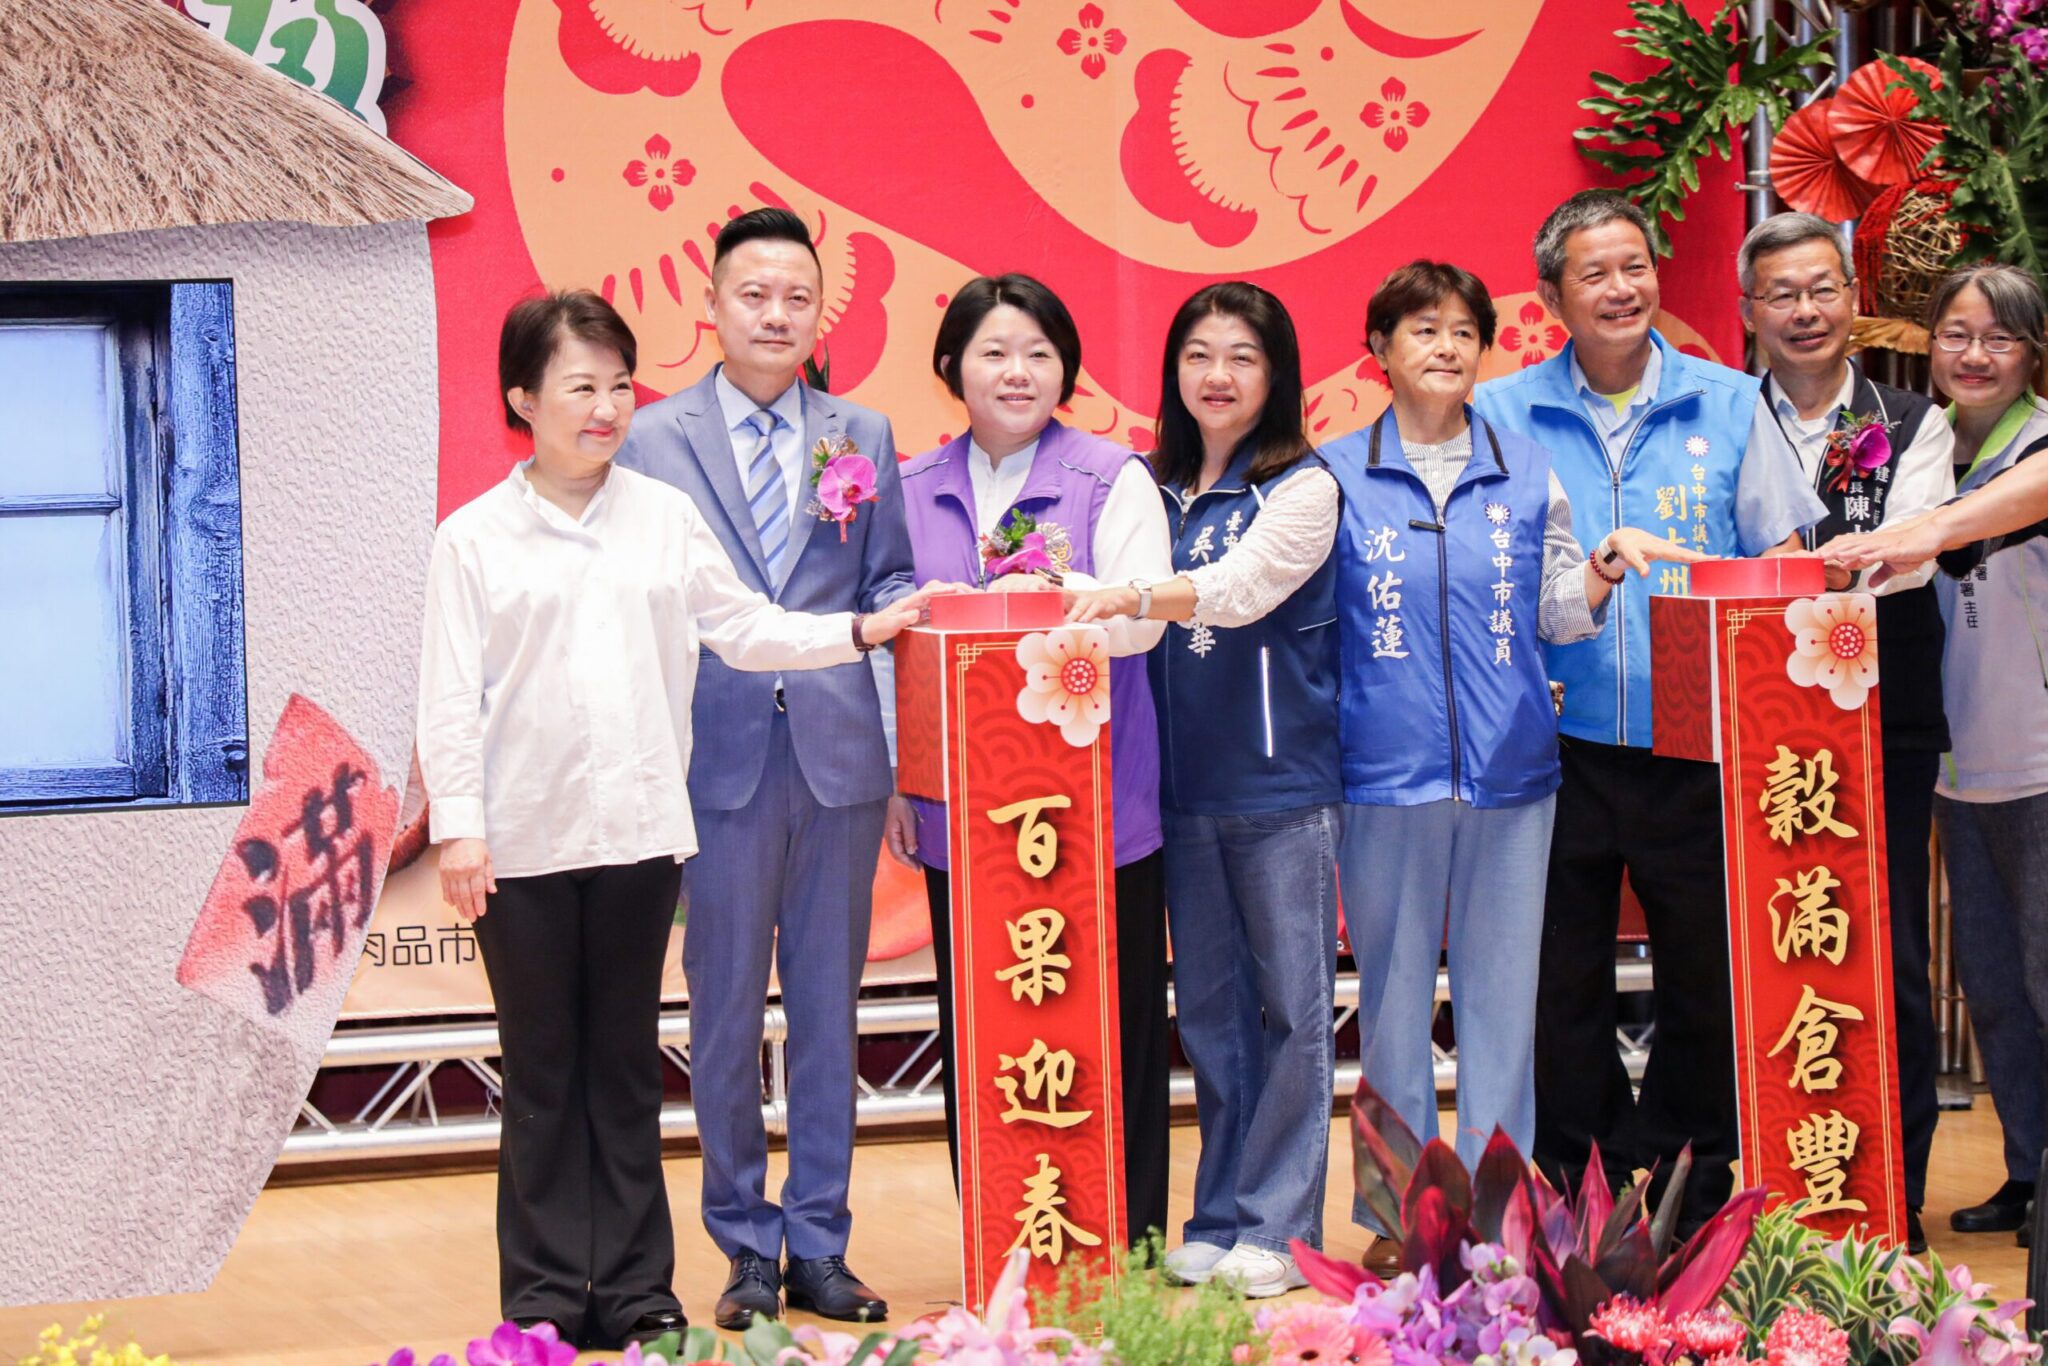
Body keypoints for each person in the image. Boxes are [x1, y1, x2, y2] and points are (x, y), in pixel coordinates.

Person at [416, 291, 921, 1350]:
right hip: (521, 839)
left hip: (642, 832)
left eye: (617, 385)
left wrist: (857, 631)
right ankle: (545, 1293)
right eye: (579, 387)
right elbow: (448, 696)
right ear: (522, 399)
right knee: (543, 1070)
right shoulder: (472, 538)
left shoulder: (660, 514)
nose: (605, 408)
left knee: (624, 1065)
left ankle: (637, 1287)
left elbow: (744, 627)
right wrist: (459, 826)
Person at [1472, 190, 1824, 1229]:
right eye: (1595, 273)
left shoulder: (1731, 402)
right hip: (1552, 740)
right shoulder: (1503, 413)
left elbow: (1781, 562)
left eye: (1635, 266)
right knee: (1557, 974)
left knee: (1706, 972)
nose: (1621, 288)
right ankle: (1579, 1177)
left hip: (1700, 736)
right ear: (1551, 298)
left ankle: (1690, 1177)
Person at [1323, 261, 1701, 1215]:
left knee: (1502, 1004)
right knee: (1394, 1005)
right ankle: (1399, 1211)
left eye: (1463, 332)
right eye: (1423, 330)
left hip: (1513, 774)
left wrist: (1603, 567)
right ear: (1379, 350)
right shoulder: (1332, 474)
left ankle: (1497, 1213)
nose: (1446, 348)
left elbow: (1557, 614)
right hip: (1381, 775)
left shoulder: (1525, 468)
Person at [616, 208, 915, 1330]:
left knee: (831, 1008)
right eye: (754, 294)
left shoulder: (862, 432)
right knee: (726, 1007)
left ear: (820, 311)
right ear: (710, 304)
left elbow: (885, 583)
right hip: (716, 756)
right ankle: (743, 1243)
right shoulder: (651, 438)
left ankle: (822, 1243)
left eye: (798, 297)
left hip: (838, 757)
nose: (776, 315)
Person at [885, 272, 1177, 1250]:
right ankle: (1004, 1244)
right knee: (986, 1031)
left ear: (1066, 371)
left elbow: (1140, 622)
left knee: (1114, 1030)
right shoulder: (911, 488)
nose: (1017, 372)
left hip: (1094, 807)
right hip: (965, 816)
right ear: (950, 367)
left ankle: (1124, 1247)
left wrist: (1051, 594)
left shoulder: (1110, 477)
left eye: (1039, 354)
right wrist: (898, 779)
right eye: (994, 352)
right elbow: (895, 648)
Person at [1066, 281, 1342, 1297]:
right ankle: (1219, 1216)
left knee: (1293, 1013)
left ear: (1276, 375)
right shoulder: (1149, 485)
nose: (1216, 376)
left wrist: (1133, 593)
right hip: (1175, 794)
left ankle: (1281, 1227)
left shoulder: (1302, 488)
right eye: (1197, 355)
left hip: (1280, 790)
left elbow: (1238, 590)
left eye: (1241, 356)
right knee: (1213, 1017)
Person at [1737, 212, 1956, 1252]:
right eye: (1780, 294)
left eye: (1821, 288)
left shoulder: (1911, 420)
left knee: (1884, 956)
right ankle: (1772, 1195)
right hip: (1753, 726)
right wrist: (1822, 560)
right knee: (1764, 955)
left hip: (1880, 724)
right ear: (1749, 312)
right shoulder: (1724, 416)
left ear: (1851, 299)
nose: (1804, 311)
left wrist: (1779, 563)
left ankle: (1890, 1196)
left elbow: (1911, 554)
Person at [1889, 264, 2048, 1245]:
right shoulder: (1915, 446)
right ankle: (2026, 1170)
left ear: (2032, 352)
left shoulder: (2038, 445)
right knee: (1991, 987)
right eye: (1955, 334)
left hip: (2039, 758)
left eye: (1999, 337)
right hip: (1953, 764)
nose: (1974, 355)